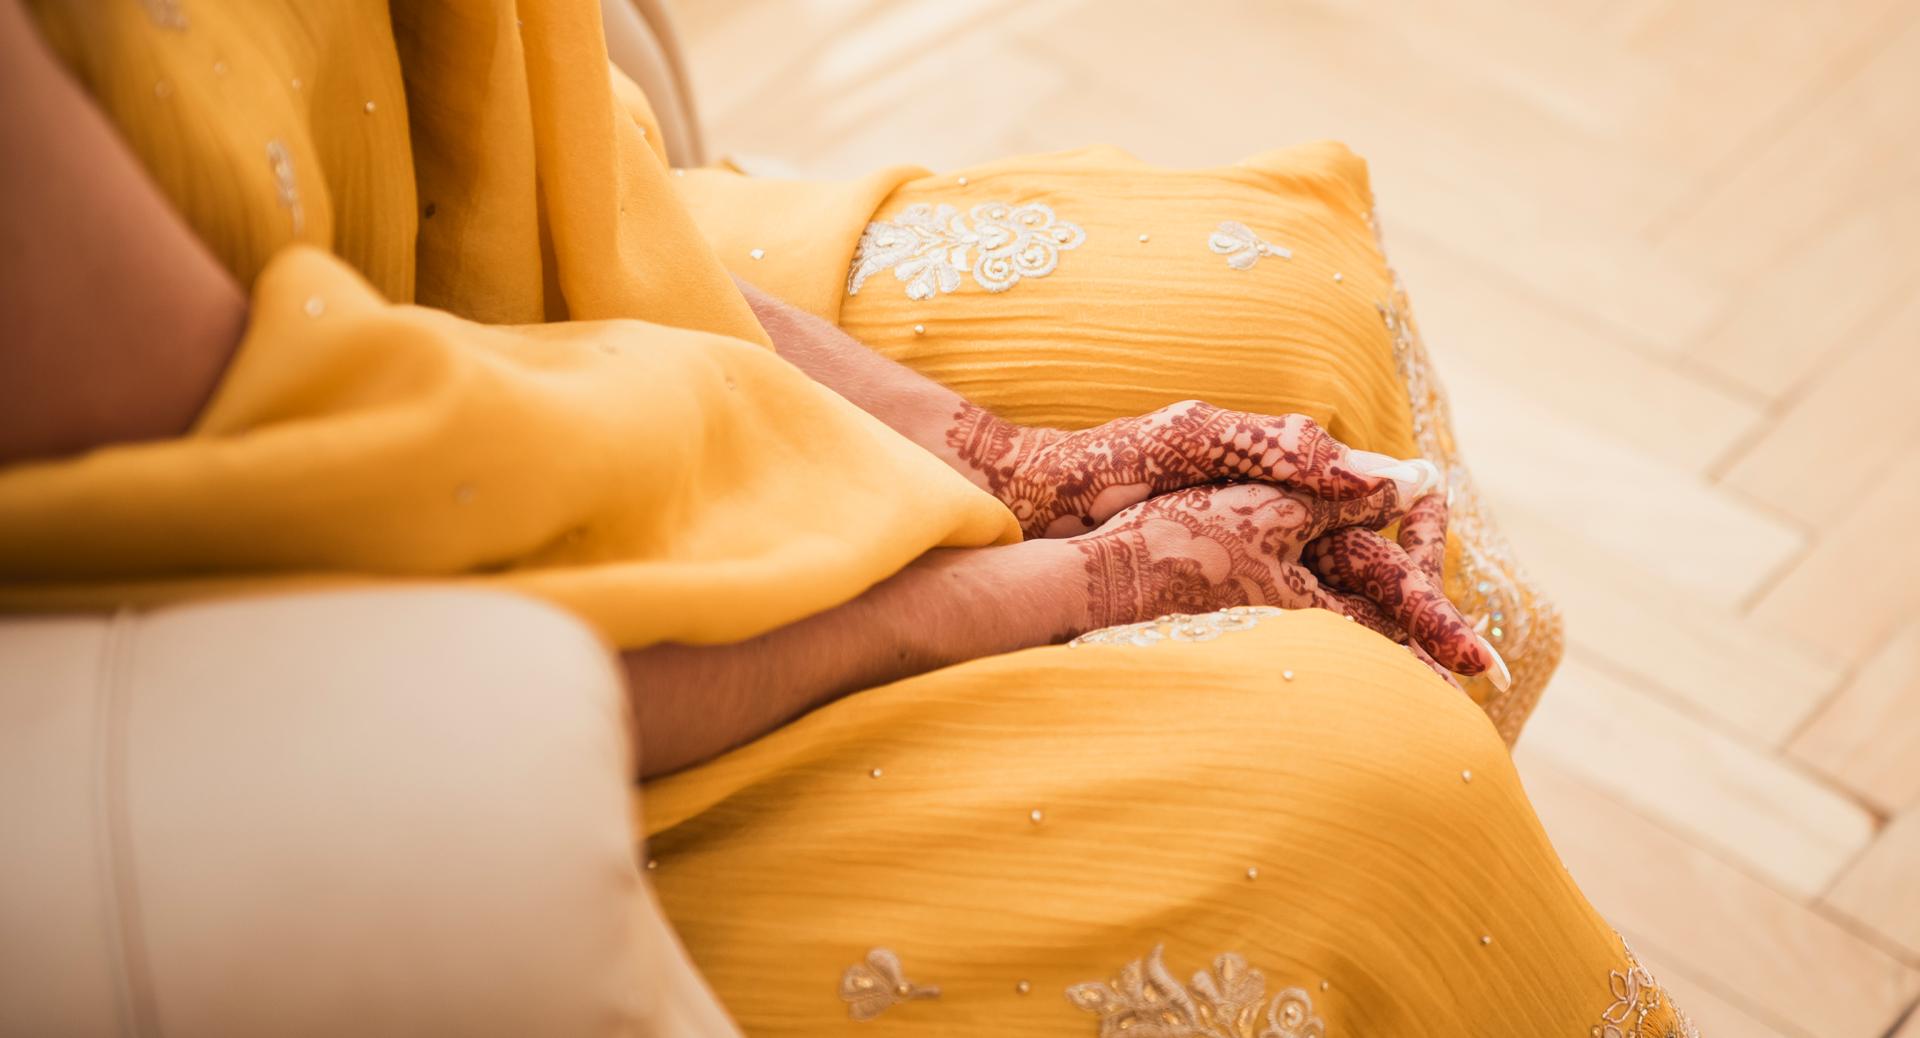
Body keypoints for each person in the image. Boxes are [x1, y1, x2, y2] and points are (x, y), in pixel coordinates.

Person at [0, 1, 1692, 1035]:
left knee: (1288, 306)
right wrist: (1075, 577)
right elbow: (360, 604)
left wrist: (1008, 458)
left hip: (522, 351)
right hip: (384, 738)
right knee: (1372, 792)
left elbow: (530, 200)